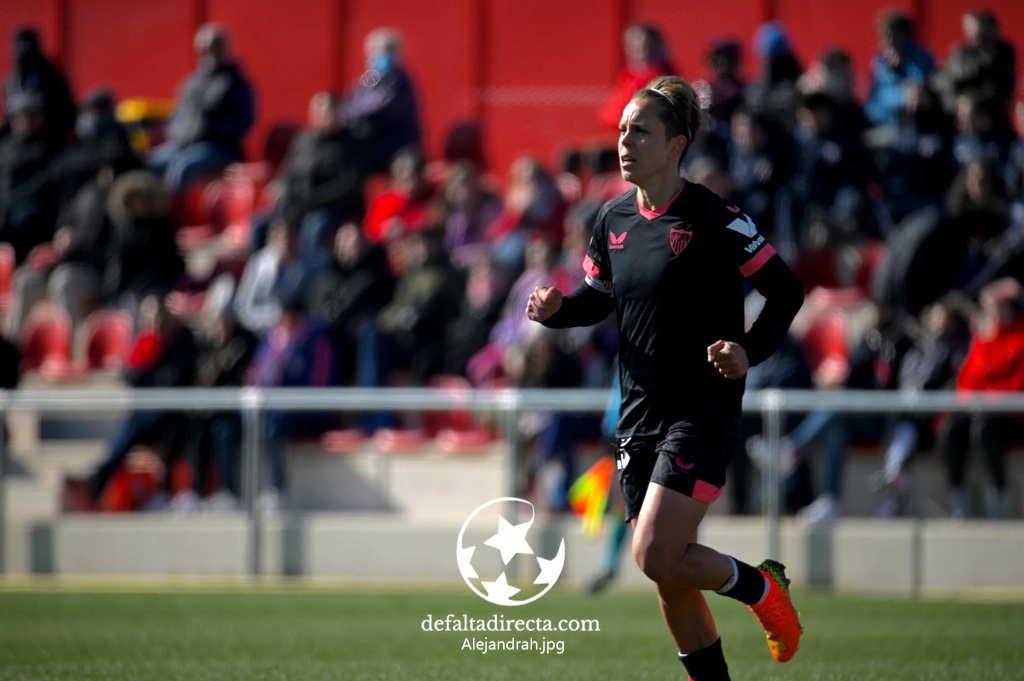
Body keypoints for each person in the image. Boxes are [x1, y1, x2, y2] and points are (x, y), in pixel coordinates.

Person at [526, 75, 805, 679]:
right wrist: (558, 312)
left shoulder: (717, 217)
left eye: (641, 131)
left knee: (653, 551)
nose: (625, 142)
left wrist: (748, 351)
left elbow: (785, 291)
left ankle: (760, 589)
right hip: (638, 411)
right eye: (622, 130)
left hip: (701, 408)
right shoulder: (611, 218)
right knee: (666, 572)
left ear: (677, 145)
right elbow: (597, 300)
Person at [147, 24, 255, 192]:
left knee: (182, 166)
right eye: (204, 48)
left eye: (215, 47)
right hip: (182, 144)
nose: (209, 53)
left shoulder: (236, 83)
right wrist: (175, 132)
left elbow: (245, 121)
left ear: (226, 48)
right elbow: (179, 115)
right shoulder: (192, 82)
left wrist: (211, 130)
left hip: (219, 147)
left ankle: (174, 216)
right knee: (147, 164)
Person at [344, 28, 423, 173]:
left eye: (388, 49)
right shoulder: (371, 76)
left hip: (396, 146)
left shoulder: (400, 79)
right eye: (377, 49)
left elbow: (379, 105)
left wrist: (349, 113)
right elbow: (353, 98)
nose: (382, 54)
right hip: (372, 143)